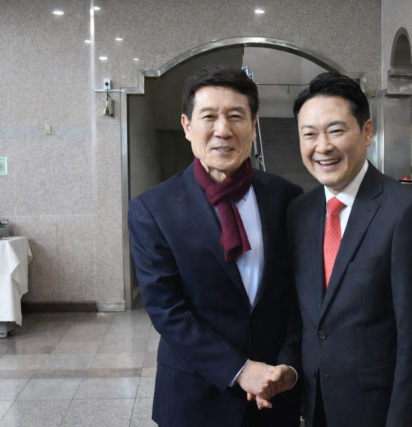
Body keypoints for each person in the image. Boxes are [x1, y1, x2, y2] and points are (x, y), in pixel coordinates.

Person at [128, 65, 302, 427]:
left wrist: (287, 366)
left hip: (273, 394)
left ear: (253, 125)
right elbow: (166, 309)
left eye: (236, 116)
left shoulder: (287, 198)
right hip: (195, 396)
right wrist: (239, 369)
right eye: (209, 116)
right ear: (187, 125)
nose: (223, 130)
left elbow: (298, 297)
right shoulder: (153, 209)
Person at [287, 73, 412, 426]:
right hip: (318, 408)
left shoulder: (405, 212)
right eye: (309, 134)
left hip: (381, 411)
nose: (322, 147)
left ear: (367, 132)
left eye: (336, 131)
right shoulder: (299, 212)